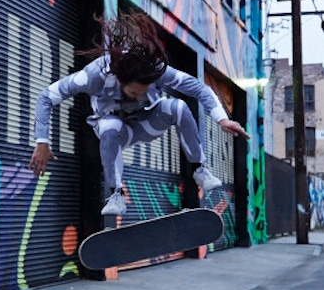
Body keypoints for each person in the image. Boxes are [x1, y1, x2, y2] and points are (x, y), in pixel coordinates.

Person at [29, 12, 248, 216]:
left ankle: (200, 170)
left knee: (179, 107)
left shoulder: (155, 71)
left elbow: (199, 88)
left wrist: (222, 118)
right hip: (116, 131)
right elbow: (46, 96)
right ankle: (115, 195)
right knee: (109, 126)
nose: (138, 97)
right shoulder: (95, 75)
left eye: (143, 93)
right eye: (134, 92)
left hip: (146, 123)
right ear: (121, 79)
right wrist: (41, 140)